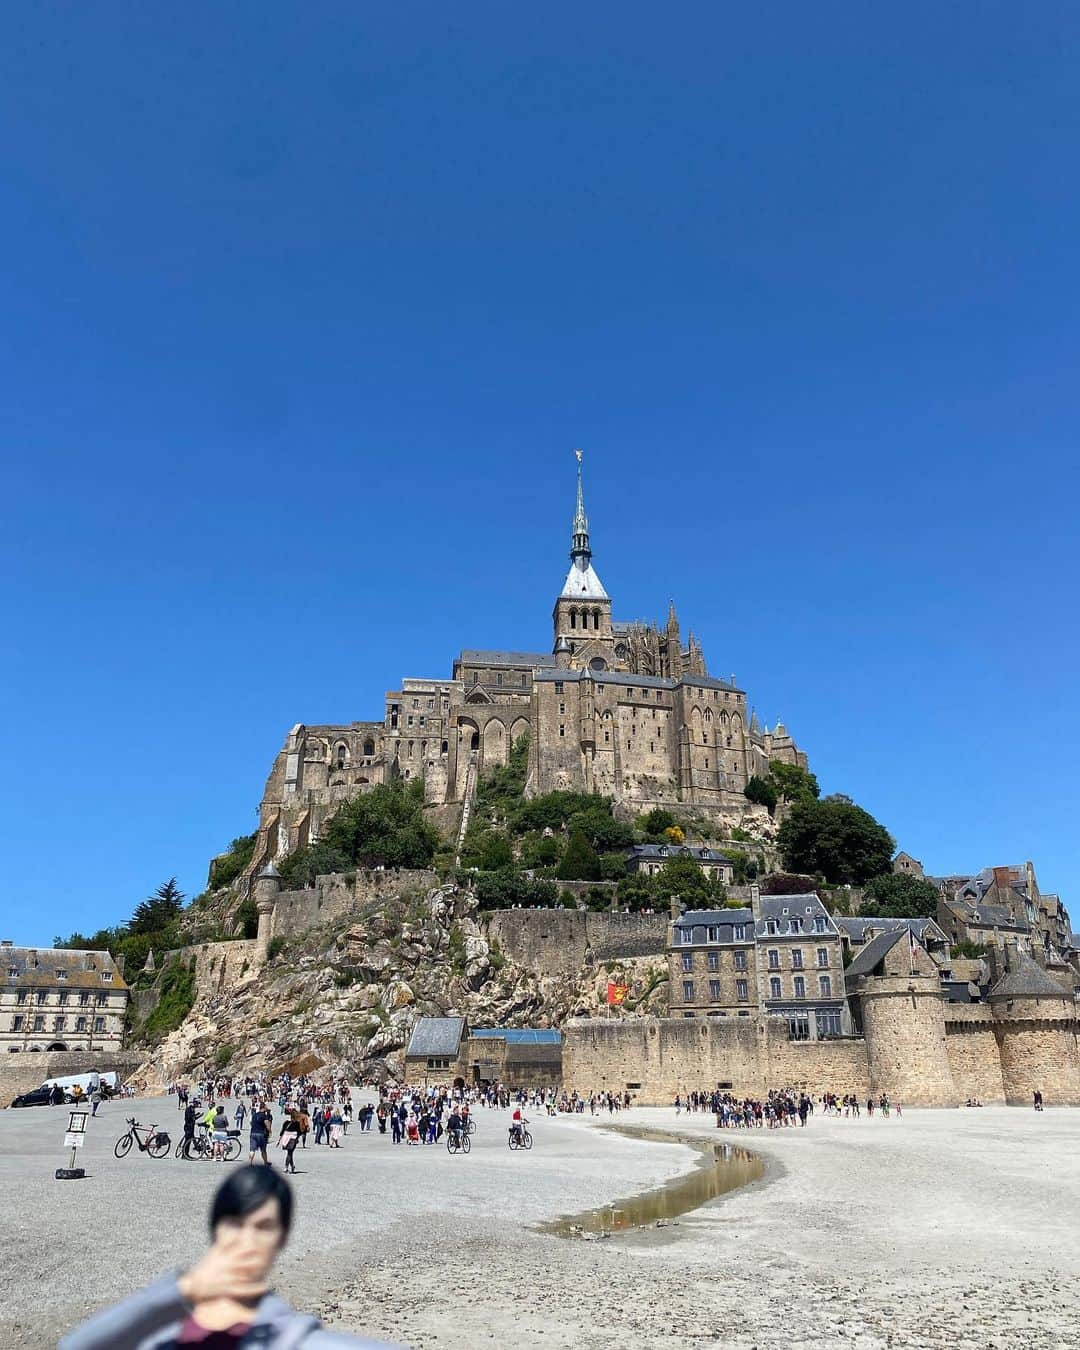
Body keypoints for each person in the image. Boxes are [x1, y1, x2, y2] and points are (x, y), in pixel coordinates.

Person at [59, 1168, 397, 1348]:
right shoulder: (158, 1331)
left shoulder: (291, 1338)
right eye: (235, 1223)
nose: (247, 1241)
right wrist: (182, 1291)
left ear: (282, 1238)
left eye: (264, 1227)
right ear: (215, 1228)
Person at [249, 1102, 272, 1167]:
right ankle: (265, 1162)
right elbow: (267, 1124)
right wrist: (270, 1131)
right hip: (261, 1134)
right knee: (263, 1150)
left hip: (253, 1133)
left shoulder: (254, 1115)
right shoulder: (264, 1115)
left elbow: (251, 1123)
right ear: (264, 1107)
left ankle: (250, 1163)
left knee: (252, 1150)